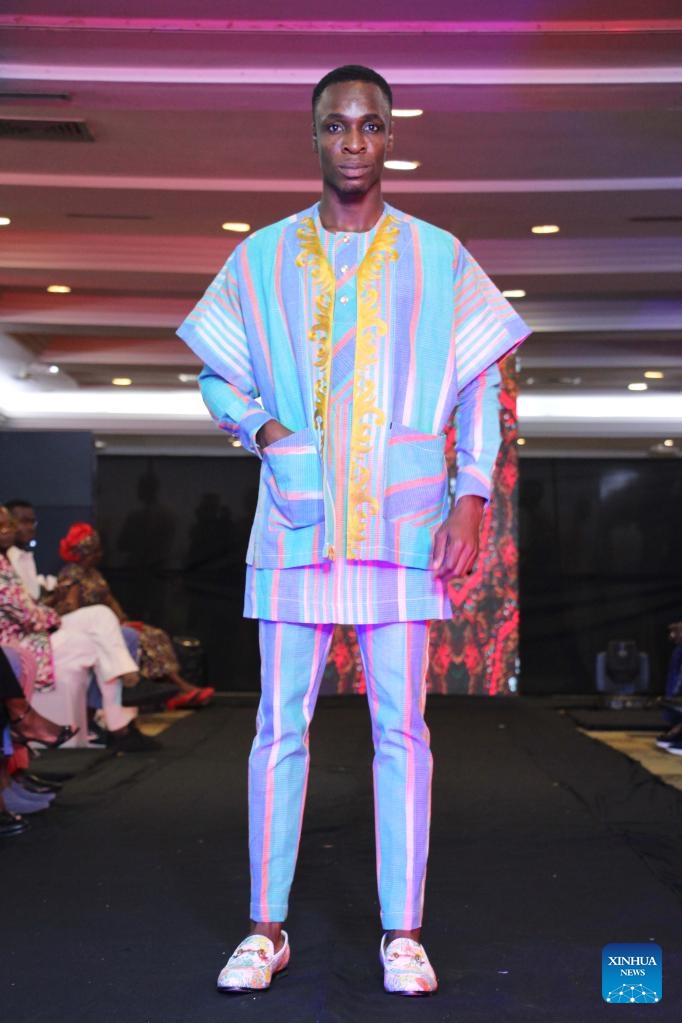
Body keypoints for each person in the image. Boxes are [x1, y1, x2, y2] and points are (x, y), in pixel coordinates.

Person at [177, 65, 529, 996]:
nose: (353, 142)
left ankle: (403, 932)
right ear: (314, 136)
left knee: (401, 729)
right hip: (296, 522)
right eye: (337, 125)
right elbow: (215, 372)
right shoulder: (260, 257)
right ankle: (265, 928)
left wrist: (471, 494)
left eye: (370, 125)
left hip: (402, 523)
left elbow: (479, 384)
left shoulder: (438, 256)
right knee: (276, 726)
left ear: (390, 137)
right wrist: (265, 430)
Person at [0, 505, 156, 753]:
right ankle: (120, 721)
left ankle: (125, 690)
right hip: (22, 638)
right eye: (1, 526)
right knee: (97, 642)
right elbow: (27, 615)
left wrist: (46, 611)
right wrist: (50, 614)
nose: (7, 531)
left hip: (38, 627)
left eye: (9, 525)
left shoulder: (11, 560)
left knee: (101, 615)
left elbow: (31, 606)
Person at [52, 522, 214, 708]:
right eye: (95, 552)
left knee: (155, 634)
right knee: (143, 639)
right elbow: (72, 606)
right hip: (91, 627)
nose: (100, 555)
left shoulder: (94, 573)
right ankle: (180, 687)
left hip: (108, 622)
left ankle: (171, 689)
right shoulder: (71, 574)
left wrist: (122, 618)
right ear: (84, 554)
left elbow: (109, 599)